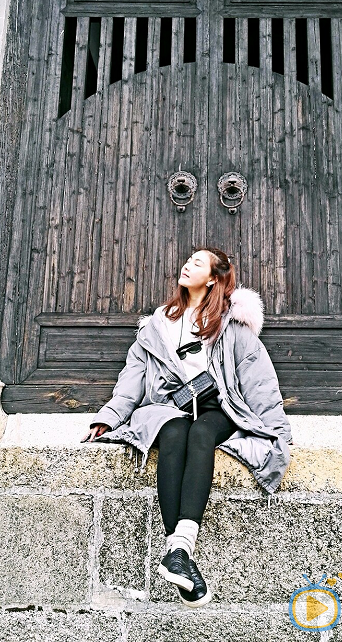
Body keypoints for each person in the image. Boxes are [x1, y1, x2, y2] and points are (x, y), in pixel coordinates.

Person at [82, 246, 293, 608]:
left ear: (213, 277)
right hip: (170, 406)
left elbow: (260, 382)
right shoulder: (157, 324)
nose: (187, 265)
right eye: (187, 260)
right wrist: (109, 416)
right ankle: (179, 554)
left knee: (201, 433)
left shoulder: (232, 323)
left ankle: (179, 551)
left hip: (219, 407)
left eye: (198, 262)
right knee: (174, 432)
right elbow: (131, 380)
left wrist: (279, 434)